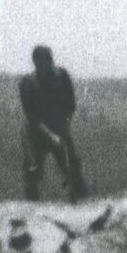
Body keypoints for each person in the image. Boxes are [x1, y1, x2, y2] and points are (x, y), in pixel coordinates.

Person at [17, 44, 88, 201]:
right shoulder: (27, 84)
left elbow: (70, 105)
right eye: (43, 62)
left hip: (59, 128)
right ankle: (32, 206)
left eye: (49, 60)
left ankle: (82, 201)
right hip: (35, 133)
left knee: (72, 166)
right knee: (33, 170)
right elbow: (32, 117)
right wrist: (50, 136)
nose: (48, 65)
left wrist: (65, 127)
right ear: (36, 63)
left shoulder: (62, 77)